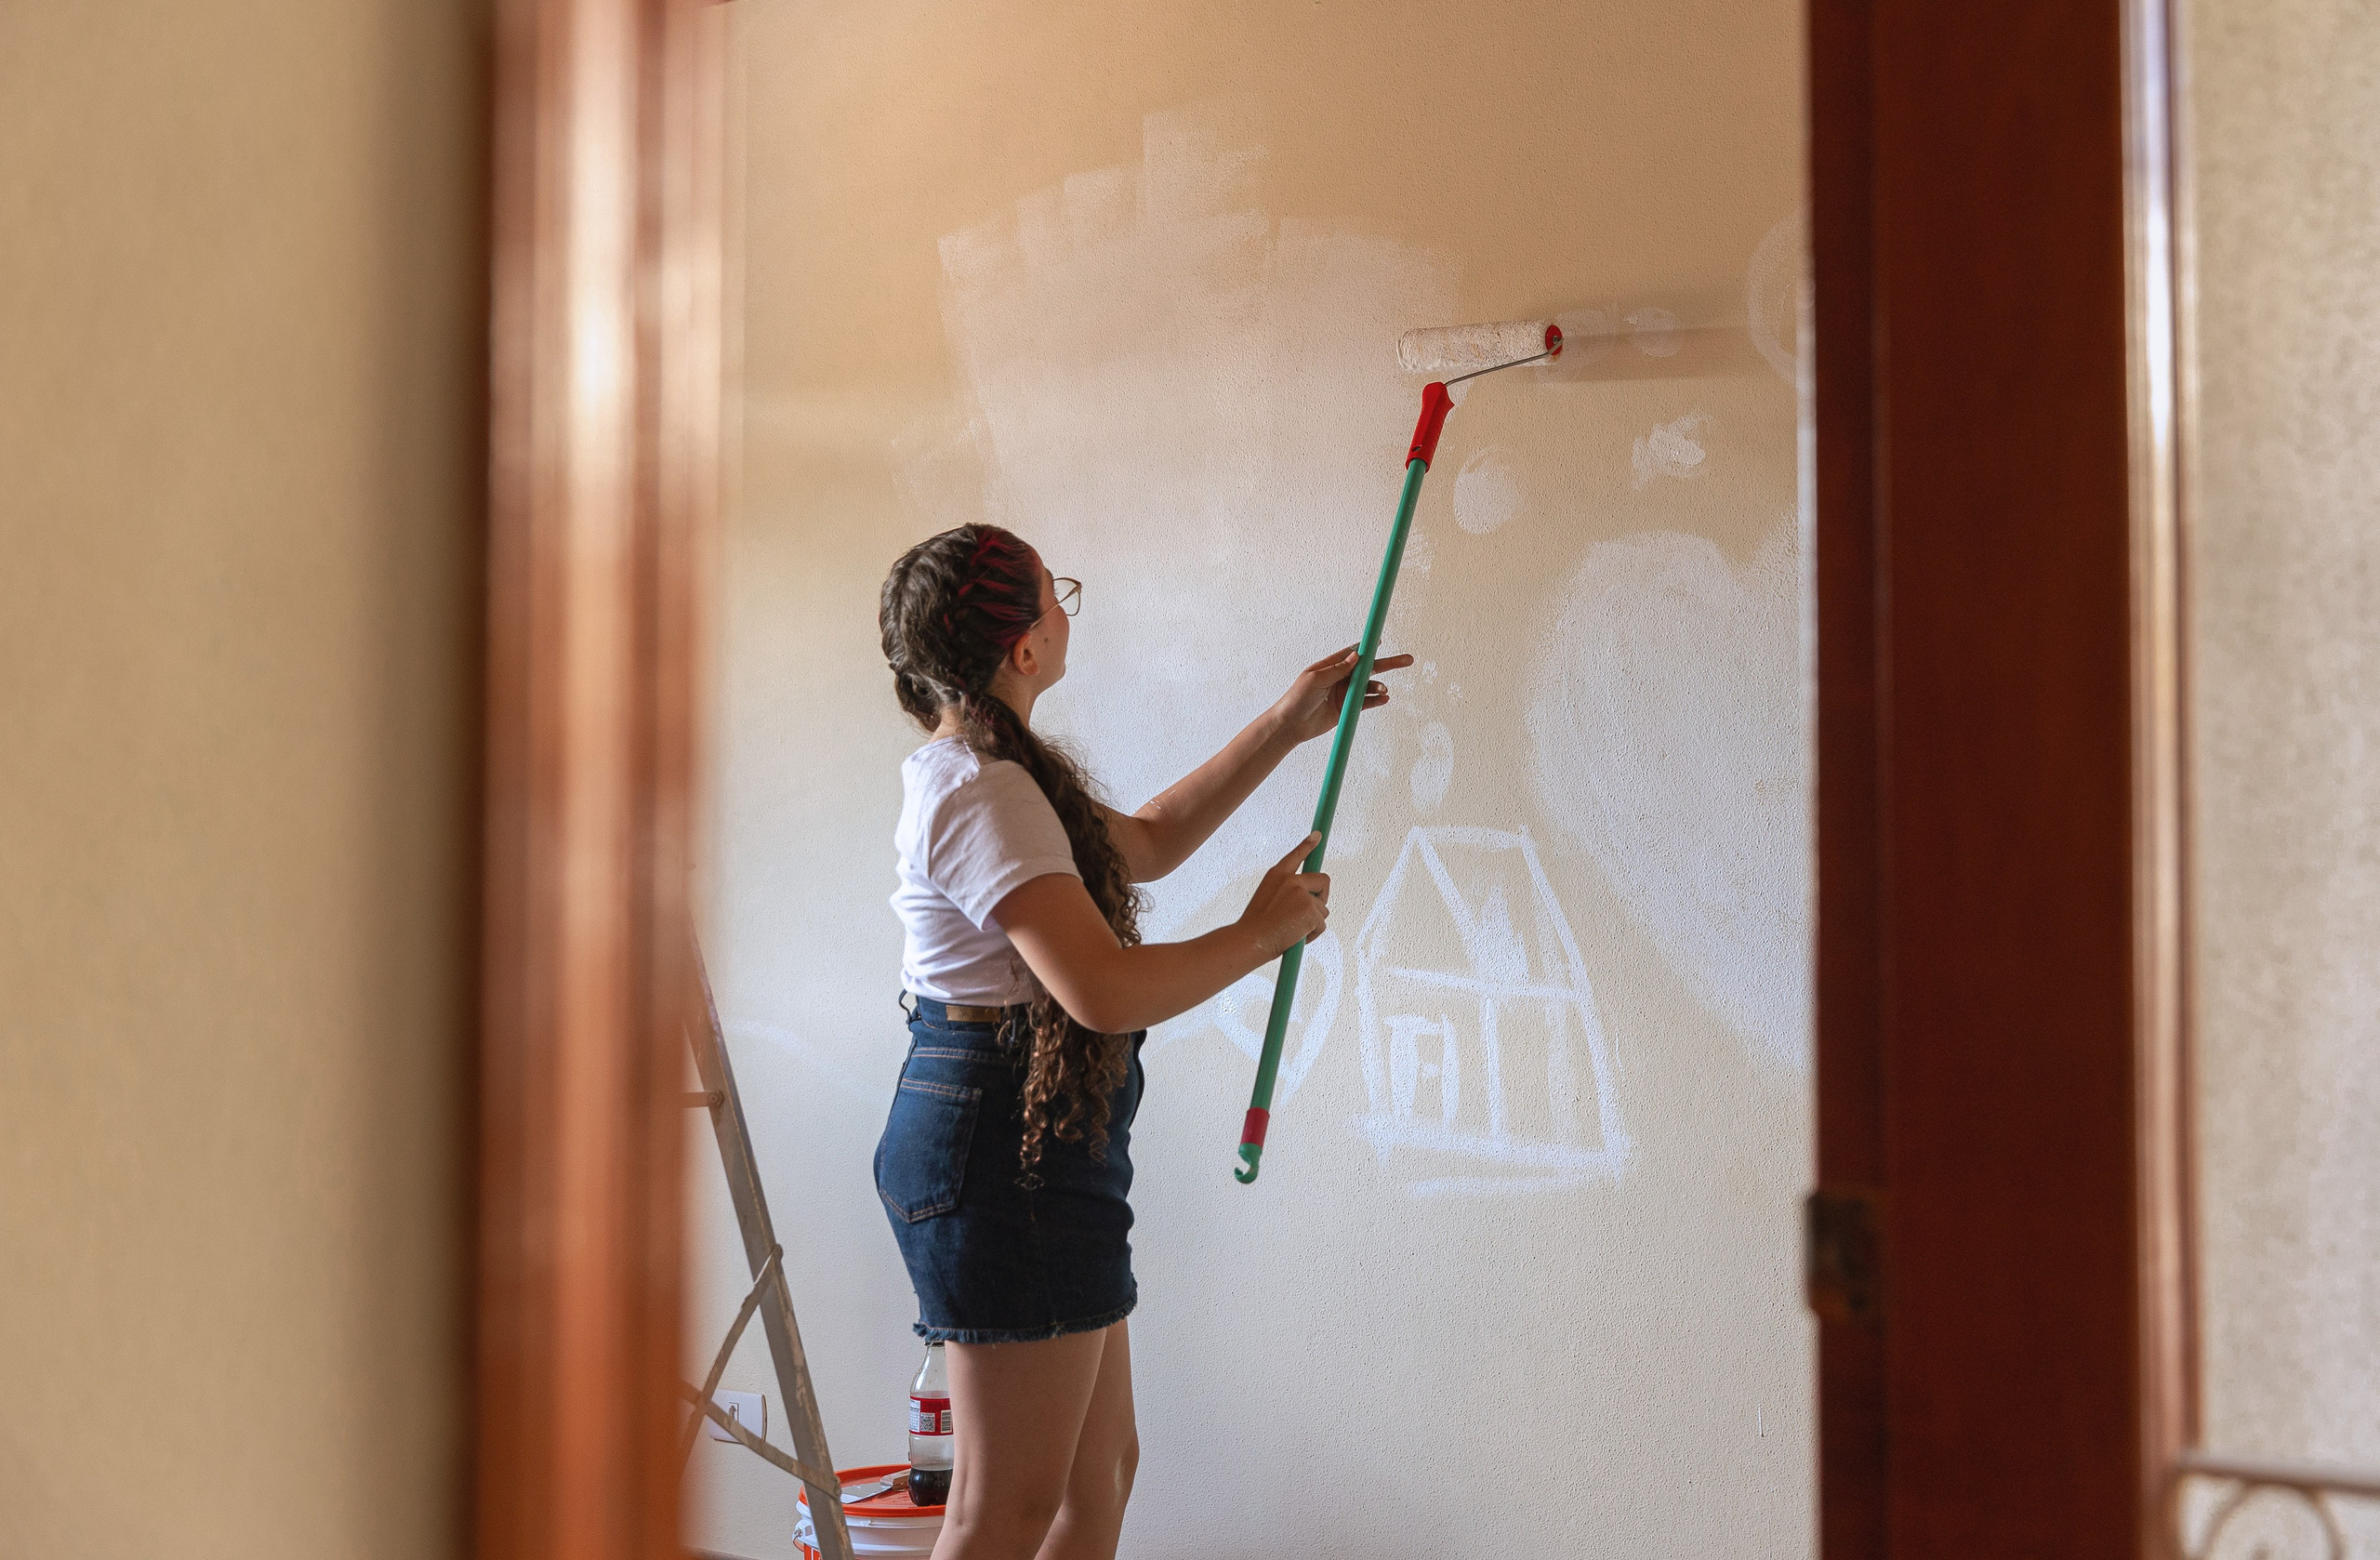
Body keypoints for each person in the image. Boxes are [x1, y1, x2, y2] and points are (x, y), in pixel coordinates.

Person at [874, 522, 1409, 1560]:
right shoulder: (979, 790)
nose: (1066, 609)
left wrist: (1289, 722)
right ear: (1023, 648)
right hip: (1000, 1140)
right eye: (1054, 594)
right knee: (1005, 1509)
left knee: (1096, 1477)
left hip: (1025, 1132)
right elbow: (1103, 993)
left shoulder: (1003, 773)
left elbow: (1153, 839)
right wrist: (1259, 934)